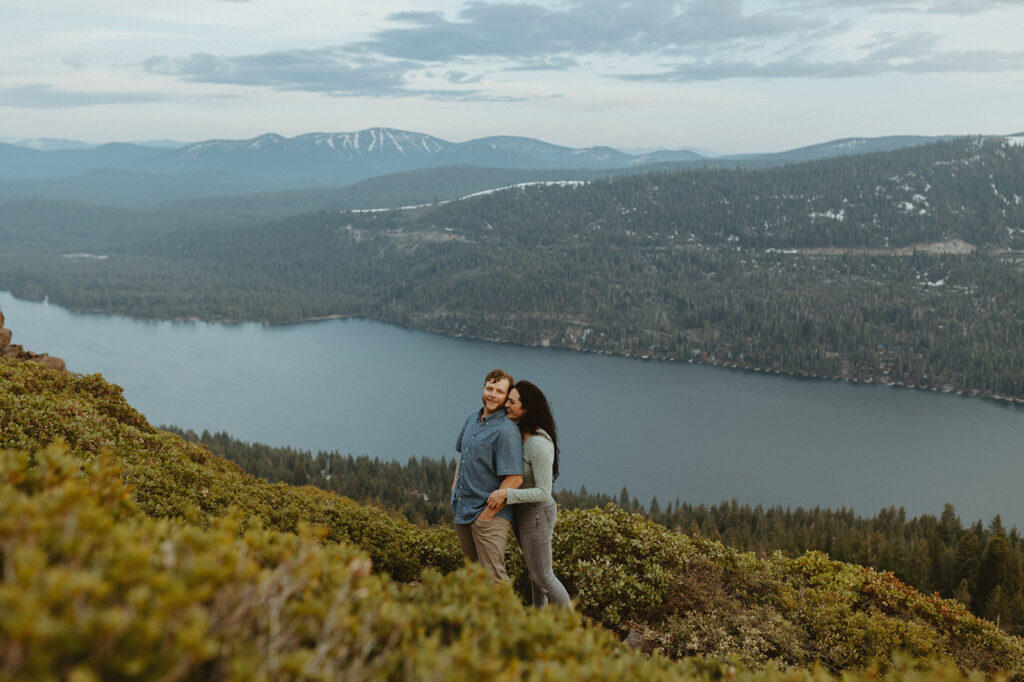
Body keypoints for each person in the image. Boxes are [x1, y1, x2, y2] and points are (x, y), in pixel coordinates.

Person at [486, 380, 571, 608]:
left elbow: (544, 491)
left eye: (512, 402)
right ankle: (538, 618)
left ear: (527, 408)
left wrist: (506, 494)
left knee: (543, 576)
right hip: (523, 512)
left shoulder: (538, 444)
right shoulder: (518, 432)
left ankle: (572, 629)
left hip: (536, 512)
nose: (507, 405)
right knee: (535, 573)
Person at [451, 368, 524, 583]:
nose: (492, 395)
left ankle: (511, 617)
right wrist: (454, 489)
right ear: (483, 388)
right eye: (489, 388)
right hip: (463, 508)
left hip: (489, 516)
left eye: (499, 392)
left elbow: (515, 478)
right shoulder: (471, 418)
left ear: (506, 397)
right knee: (473, 574)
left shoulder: (507, 430)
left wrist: (487, 515)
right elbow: (462, 455)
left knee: (494, 579)